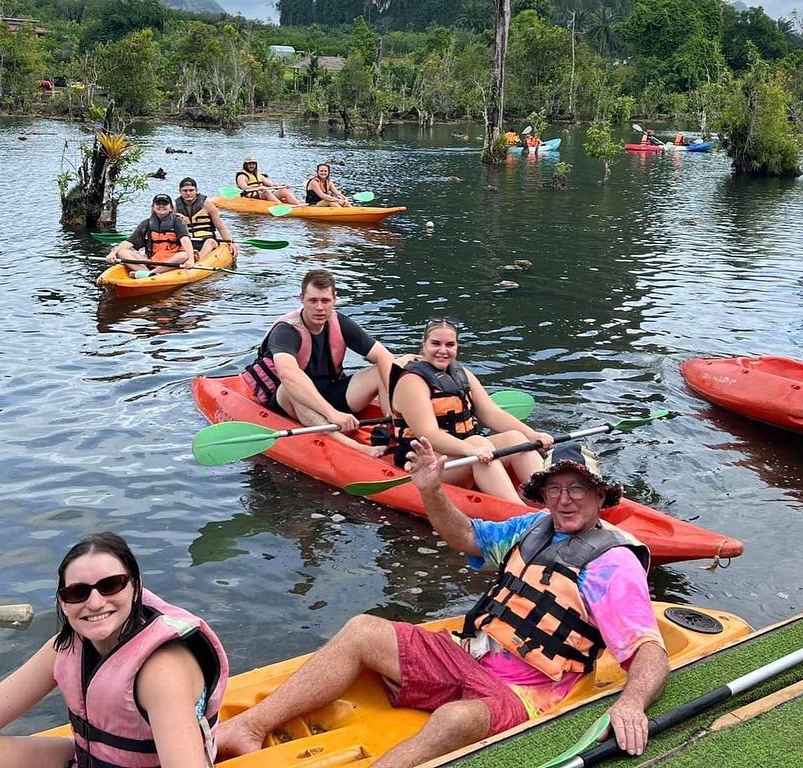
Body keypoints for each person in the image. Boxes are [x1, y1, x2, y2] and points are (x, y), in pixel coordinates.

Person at [214, 441, 668, 767]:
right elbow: (467, 536)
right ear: (544, 494)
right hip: (469, 654)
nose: (565, 500)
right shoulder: (534, 527)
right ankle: (247, 727)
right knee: (361, 630)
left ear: (600, 497)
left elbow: (649, 650)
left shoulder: (614, 564)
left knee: (456, 718)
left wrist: (630, 705)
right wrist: (431, 490)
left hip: (527, 692)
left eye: (578, 490)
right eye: (556, 489)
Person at [0, 532, 227, 768]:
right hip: (88, 760)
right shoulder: (67, 646)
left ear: (135, 587)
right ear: (63, 603)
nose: (95, 602)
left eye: (110, 585)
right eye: (78, 593)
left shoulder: (161, 671)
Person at [382, 319, 553, 502]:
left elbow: (491, 413)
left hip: (463, 452)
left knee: (516, 439)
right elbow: (429, 434)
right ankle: (521, 513)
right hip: (425, 462)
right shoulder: (411, 382)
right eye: (435, 343)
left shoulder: (462, 375)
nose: (443, 350)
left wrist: (532, 434)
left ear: (457, 347)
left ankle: (551, 499)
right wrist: (471, 450)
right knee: (479, 443)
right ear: (423, 344)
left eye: (450, 344)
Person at [243, 270, 394, 454]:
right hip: (288, 400)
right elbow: (288, 375)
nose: (320, 308)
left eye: (325, 301)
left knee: (382, 369)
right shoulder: (286, 331)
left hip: (328, 391)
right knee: (289, 387)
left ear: (334, 299)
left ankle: (393, 425)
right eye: (313, 301)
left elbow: (384, 356)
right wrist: (333, 414)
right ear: (302, 299)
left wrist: (395, 404)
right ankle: (357, 448)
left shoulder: (340, 323)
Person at [106, 194, 194, 277]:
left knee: (183, 255)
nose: (161, 206)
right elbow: (129, 242)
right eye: (158, 204)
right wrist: (113, 252)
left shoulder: (178, 222)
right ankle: (147, 273)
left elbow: (185, 240)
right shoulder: (146, 223)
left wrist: (191, 260)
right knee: (122, 252)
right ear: (153, 207)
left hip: (172, 261)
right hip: (151, 261)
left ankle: (150, 274)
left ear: (171, 208)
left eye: (165, 204)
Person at [176, 177, 234, 259]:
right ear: (180, 191)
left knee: (210, 242)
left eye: (191, 190)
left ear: (196, 190)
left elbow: (220, 227)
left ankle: (198, 258)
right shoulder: (175, 207)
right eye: (185, 191)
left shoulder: (207, 204)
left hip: (206, 240)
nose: (188, 193)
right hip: (188, 242)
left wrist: (230, 242)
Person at [235, 156, 300, 205]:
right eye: (250, 164)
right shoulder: (242, 176)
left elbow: (272, 185)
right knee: (266, 191)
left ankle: (300, 205)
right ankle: (282, 207)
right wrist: (258, 188)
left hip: (262, 194)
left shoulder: (259, 175)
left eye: (253, 164)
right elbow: (244, 188)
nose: (252, 166)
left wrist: (283, 185)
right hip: (251, 196)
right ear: (245, 165)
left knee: (284, 191)